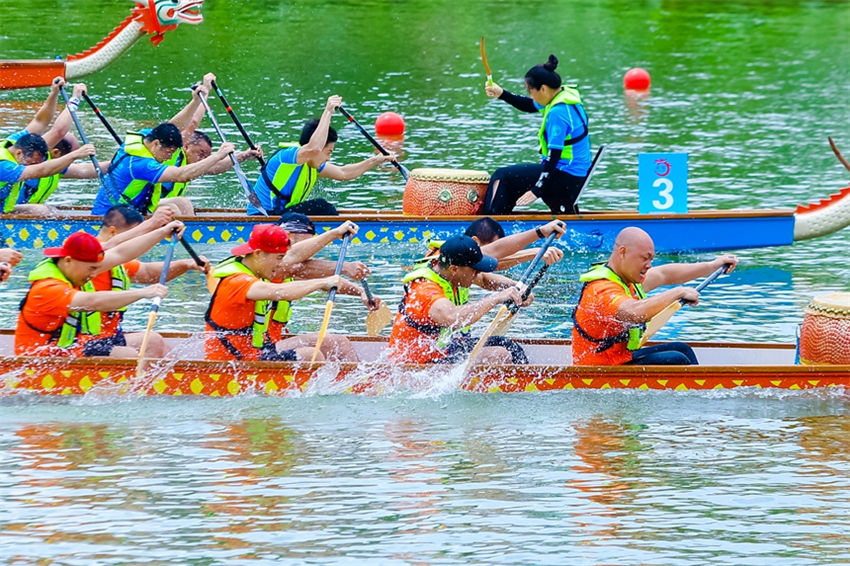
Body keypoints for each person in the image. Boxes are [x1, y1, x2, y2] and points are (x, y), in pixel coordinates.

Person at [15, 219, 185, 357]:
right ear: (67, 261)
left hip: (72, 345)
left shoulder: (72, 267)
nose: (94, 274)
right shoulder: (47, 288)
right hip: (41, 357)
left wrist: (162, 232)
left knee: (153, 341)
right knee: (126, 355)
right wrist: (143, 293)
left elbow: (121, 254)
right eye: (91, 269)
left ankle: (145, 390)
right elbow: (93, 301)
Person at [204, 223, 371, 362]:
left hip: (260, 349)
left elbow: (294, 255)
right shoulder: (236, 281)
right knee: (310, 355)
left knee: (336, 342)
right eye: (278, 258)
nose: (281, 264)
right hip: (233, 361)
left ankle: (358, 388)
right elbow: (280, 291)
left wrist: (334, 234)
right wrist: (322, 281)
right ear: (258, 254)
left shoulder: (258, 266)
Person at [571, 227, 738, 366]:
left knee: (682, 349)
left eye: (651, 259)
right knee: (676, 360)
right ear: (623, 252)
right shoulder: (601, 289)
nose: (649, 265)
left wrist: (711, 266)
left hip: (621, 358)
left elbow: (665, 274)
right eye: (645, 258)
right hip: (601, 368)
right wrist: (677, 293)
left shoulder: (626, 279)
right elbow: (633, 312)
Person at [91, 79, 238, 216]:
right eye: (168, 152)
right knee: (176, 207)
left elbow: (178, 125)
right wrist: (219, 155)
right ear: (156, 144)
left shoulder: (146, 136)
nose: (169, 157)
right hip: (111, 219)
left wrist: (197, 100)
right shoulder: (141, 164)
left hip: (130, 211)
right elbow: (182, 175)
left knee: (179, 204)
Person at [85, 205, 211, 357]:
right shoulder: (84, 255)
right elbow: (111, 247)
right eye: (140, 236)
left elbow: (149, 273)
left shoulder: (117, 263)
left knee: (157, 343)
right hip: (82, 341)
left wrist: (186, 264)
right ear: (113, 232)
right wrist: (153, 224)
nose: (143, 242)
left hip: (107, 337)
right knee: (130, 354)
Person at [388, 234, 530, 364]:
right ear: (454, 269)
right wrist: (497, 298)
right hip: (418, 363)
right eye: (474, 269)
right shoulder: (424, 290)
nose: (478, 273)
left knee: (507, 345)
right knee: (499, 354)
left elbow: (486, 280)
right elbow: (452, 317)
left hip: (444, 347)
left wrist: (516, 288)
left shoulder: (446, 262)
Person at [248, 94, 397, 216]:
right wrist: (328, 111)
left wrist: (377, 160)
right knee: (321, 206)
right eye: (329, 152)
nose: (328, 158)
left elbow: (344, 173)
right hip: (261, 218)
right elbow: (314, 148)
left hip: (278, 216)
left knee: (319, 208)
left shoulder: (312, 165)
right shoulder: (287, 157)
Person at [483, 54, 592, 215]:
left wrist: (536, 190)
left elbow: (554, 156)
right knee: (514, 178)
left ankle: (488, 225)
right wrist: (502, 94)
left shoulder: (558, 114)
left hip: (565, 177)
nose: (531, 96)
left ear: (543, 89)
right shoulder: (564, 97)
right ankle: (502, 222)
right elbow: (529, 105)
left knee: (502, 176)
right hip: (573, 175)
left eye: (531, 91)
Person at [264, 212, 380, 358]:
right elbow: (292, 260)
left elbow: (328, 281)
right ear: (287, 235)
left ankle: (357, 380)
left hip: (271, 343)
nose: (308, 256)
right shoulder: (266, 267)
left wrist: (360, 291)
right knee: (323, 347)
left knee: (339, 343)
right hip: (251, 350)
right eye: (309, 247)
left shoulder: (288, 269)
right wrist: (335, 235)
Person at [1, 132, 96, 214]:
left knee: (49, 211)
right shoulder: (4, 166)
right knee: (41, 210)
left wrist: (110, 164)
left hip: (5, 208)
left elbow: (40, 121)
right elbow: (58, 131)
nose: (33, 166)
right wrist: (74, 155)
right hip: (4, 213)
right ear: (19, 153)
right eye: (33, 163)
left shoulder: (32, 156)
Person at [419, 217, 566, 270]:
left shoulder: (460, 261)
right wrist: (540, 234)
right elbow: (494, 253)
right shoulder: (454, 258)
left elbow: (491, 269)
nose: (501, 253)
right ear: (475, 242)